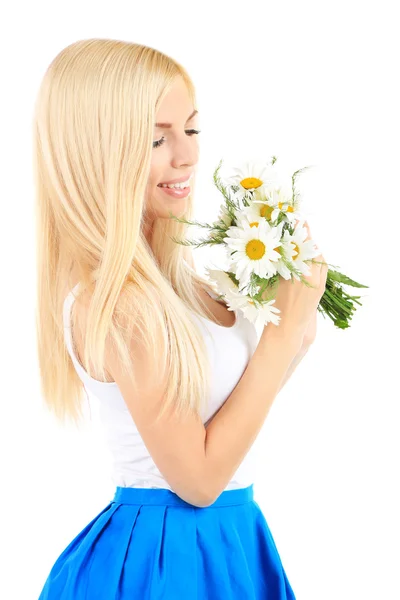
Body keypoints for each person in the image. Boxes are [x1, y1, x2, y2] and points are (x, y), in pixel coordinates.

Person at [35, 38, 327, 599]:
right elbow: (196, 480)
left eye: (191, 130)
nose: (187, 156)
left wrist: (294, 324)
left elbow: (229, 416)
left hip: (232, 537)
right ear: (98, 154)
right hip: (166, 557)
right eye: (155, 138)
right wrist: (282, 333)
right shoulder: (116, 302)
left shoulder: (195, 282)